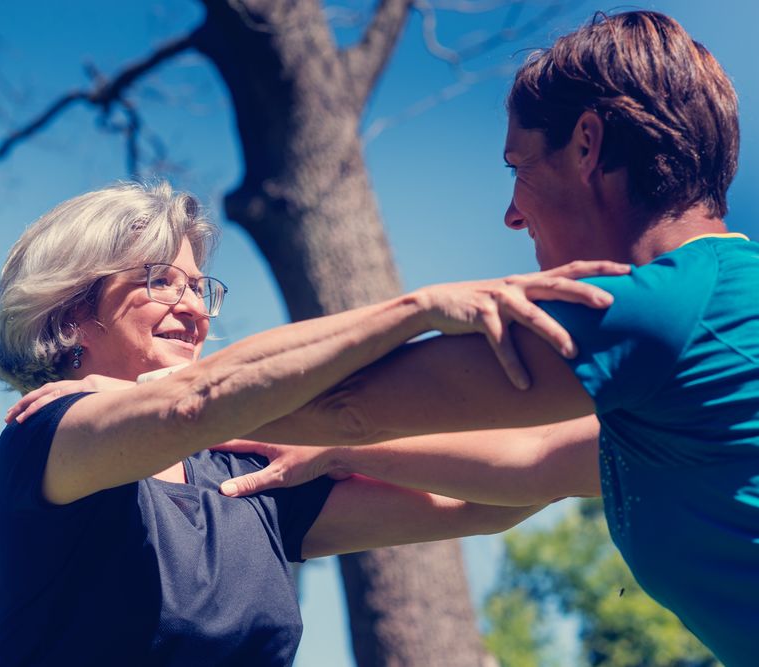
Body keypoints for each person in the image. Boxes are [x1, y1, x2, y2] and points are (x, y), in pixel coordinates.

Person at [196, 10, 756, 666]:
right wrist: (340, 451)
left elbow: (348, 402)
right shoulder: (717, 311)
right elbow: (538, 457)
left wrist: (144, 399)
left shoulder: (659, 312)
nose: (512, 214)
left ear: (587, 145)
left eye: (519, 165)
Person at [0, 181, 624, 665]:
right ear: (70, 312)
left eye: (199, 288)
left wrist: (344, 451)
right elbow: (191, 405)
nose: (194, 309)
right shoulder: (45, 434)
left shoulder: (242, 477)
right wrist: (417, 310)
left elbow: (488, 500)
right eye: (160, 281)